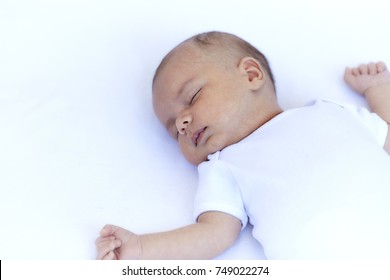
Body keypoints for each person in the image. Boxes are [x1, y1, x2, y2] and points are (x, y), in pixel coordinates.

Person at [95, 31, 390, 259]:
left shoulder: (327, 110)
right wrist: (142, 250)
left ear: (251, 74)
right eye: (174, 130)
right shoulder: (224, 166)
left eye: (193, 97)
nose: (183, 124)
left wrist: (378, 89)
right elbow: (213, 234)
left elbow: (386, 133)